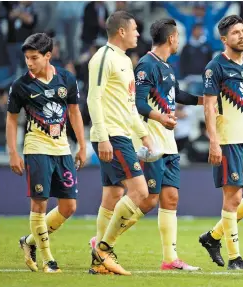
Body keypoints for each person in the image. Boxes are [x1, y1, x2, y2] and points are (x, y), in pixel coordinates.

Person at [120, 18, 205, 271]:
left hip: (168, 142)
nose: (178, 41)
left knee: (171, 198)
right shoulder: (146, 65)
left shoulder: (166, 66)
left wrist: (205, 100)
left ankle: (170, 259)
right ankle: (104, 239)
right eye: (177, 36)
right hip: (151, 141)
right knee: (148, 200)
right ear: (171, 38)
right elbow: (139, 103)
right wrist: (161, 118)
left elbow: (176, 95)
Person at [9, 33, 86, 273]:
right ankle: (47, 260)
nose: (29, 62)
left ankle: (29, 242)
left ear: (48, 56)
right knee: (39, 204)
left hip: (62, 149)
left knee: (69, 207)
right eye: (27, 58)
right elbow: (11, 120)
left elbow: (74, 113)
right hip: (36, 148)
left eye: (34, 58)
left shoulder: (66, 79)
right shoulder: (21, 85)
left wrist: (82, 145)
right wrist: (13, 152)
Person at [196, 15, 243, 271]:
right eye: (236, 33)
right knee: (233, 199)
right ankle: (235, 259)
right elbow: (209, 107)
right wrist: (213, 141)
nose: (242, 36)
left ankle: (213, 237)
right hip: (228, 142)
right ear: (224, 39)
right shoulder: (216, 67)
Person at [87, 11, 154, 276]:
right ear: (122, 31)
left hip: (122, 133)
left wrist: (143, 132)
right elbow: (94, 98)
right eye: (135, 29)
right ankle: (104, 250)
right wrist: (102, 136)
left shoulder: (125, 60)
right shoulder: (102, 58)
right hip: (111, 136)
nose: (139, 33)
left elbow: (127, 106)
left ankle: (97, 264)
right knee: (140, 192)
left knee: (113, 195)